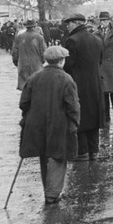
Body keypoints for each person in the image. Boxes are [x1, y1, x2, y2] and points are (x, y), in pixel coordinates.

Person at [18, 46, 80, 204]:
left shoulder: (34, 77)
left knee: (44, 155)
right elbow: (73, 106)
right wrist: (74, 124)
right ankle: (52, 194)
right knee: (58, 157)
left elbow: (23, 102)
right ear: (61, 61)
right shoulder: (66, 79)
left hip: (37, 124)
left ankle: (48, 189)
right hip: (59, 125)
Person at [63, 13, 105, 161]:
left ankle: (82, 153)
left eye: (68, 24)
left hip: (78, 85)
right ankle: (94, 151)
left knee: (80, 118)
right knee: (94, 119)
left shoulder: (72, 40)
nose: (67, 26)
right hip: (95, 84)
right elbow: (99, 61)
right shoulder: (97, 39)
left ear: (75, 23)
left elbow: (68, 65)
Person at [12, 19, 47, 91]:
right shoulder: (39, 37)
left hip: (22, 64)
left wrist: (16, 62)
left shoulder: (19, 37)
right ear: (34, 27)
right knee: (36, 86)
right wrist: (42, 61)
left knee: (24, 87)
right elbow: (44, 51)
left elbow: (14, 51)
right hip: (36, 64)